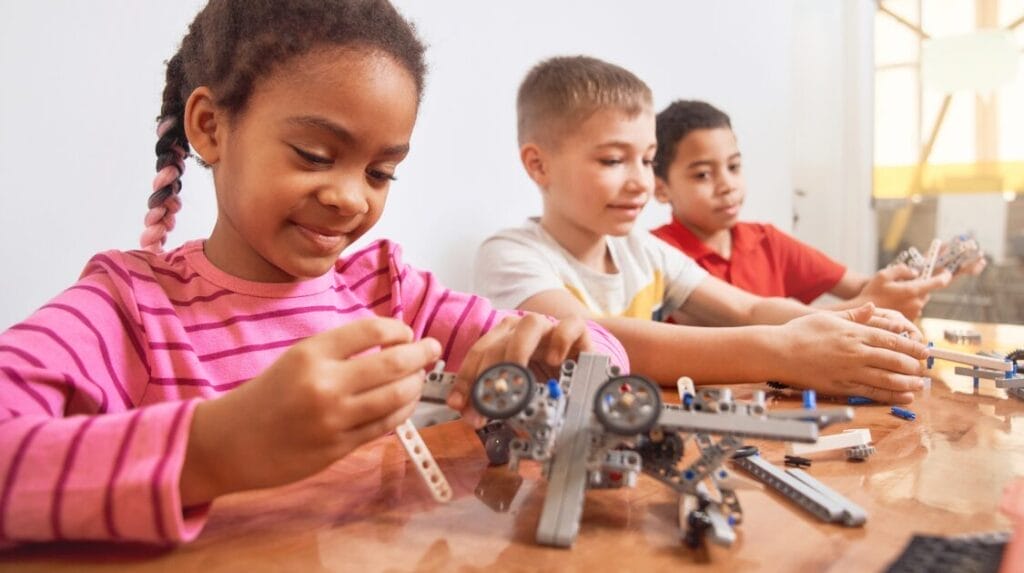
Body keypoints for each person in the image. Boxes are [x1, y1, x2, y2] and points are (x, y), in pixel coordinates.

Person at [0, 1, 626, 545]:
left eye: (380, 173)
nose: (352, 198)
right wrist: (217, 448)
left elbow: (602, 359)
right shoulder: (129, 309)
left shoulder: (390, 292)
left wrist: (562, 351)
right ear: (211, 127)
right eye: (315, 156)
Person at [472, 55, 928, 406]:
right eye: (613, 160)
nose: (641, 182)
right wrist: (783, 352)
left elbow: (749, 311)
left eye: (648, 160)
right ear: (538, 164)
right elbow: (597, 340)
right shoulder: (511, 255)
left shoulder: (643, 251)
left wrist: (854, 319)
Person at [650, 99, 977, 321]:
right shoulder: (656, 255)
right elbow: (744, 326)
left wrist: (934, 270)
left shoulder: (766, 241)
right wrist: (862, 308)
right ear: (660, 186)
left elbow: (866, 287)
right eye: (703, 175)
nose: (727, 185)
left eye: (734, 167)